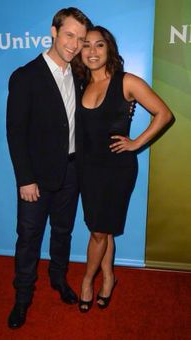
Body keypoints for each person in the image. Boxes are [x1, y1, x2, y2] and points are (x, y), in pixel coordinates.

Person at [72, 26, 174, 312]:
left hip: (117, 169)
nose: (92, 51)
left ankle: (87, 282)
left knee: (98, 233)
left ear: (109, 49)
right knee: (103, 231)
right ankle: (109, 278)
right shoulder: (80, 84)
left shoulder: (127, 82)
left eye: (99, 45)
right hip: (87, 168)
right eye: (87, 45)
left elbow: (164, 113)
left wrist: (136, 143)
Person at [6, 7, 92, 328]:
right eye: (69, 35)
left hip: (71, 172)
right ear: (54, 31)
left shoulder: (80, 74)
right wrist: (25, 179)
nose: (74, 44)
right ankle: (23, 296)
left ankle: (59, 279)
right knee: (28, 237)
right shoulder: (25, 76)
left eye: (81, 39)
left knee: (63, 232)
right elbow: (15, 132)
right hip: (36, 179)